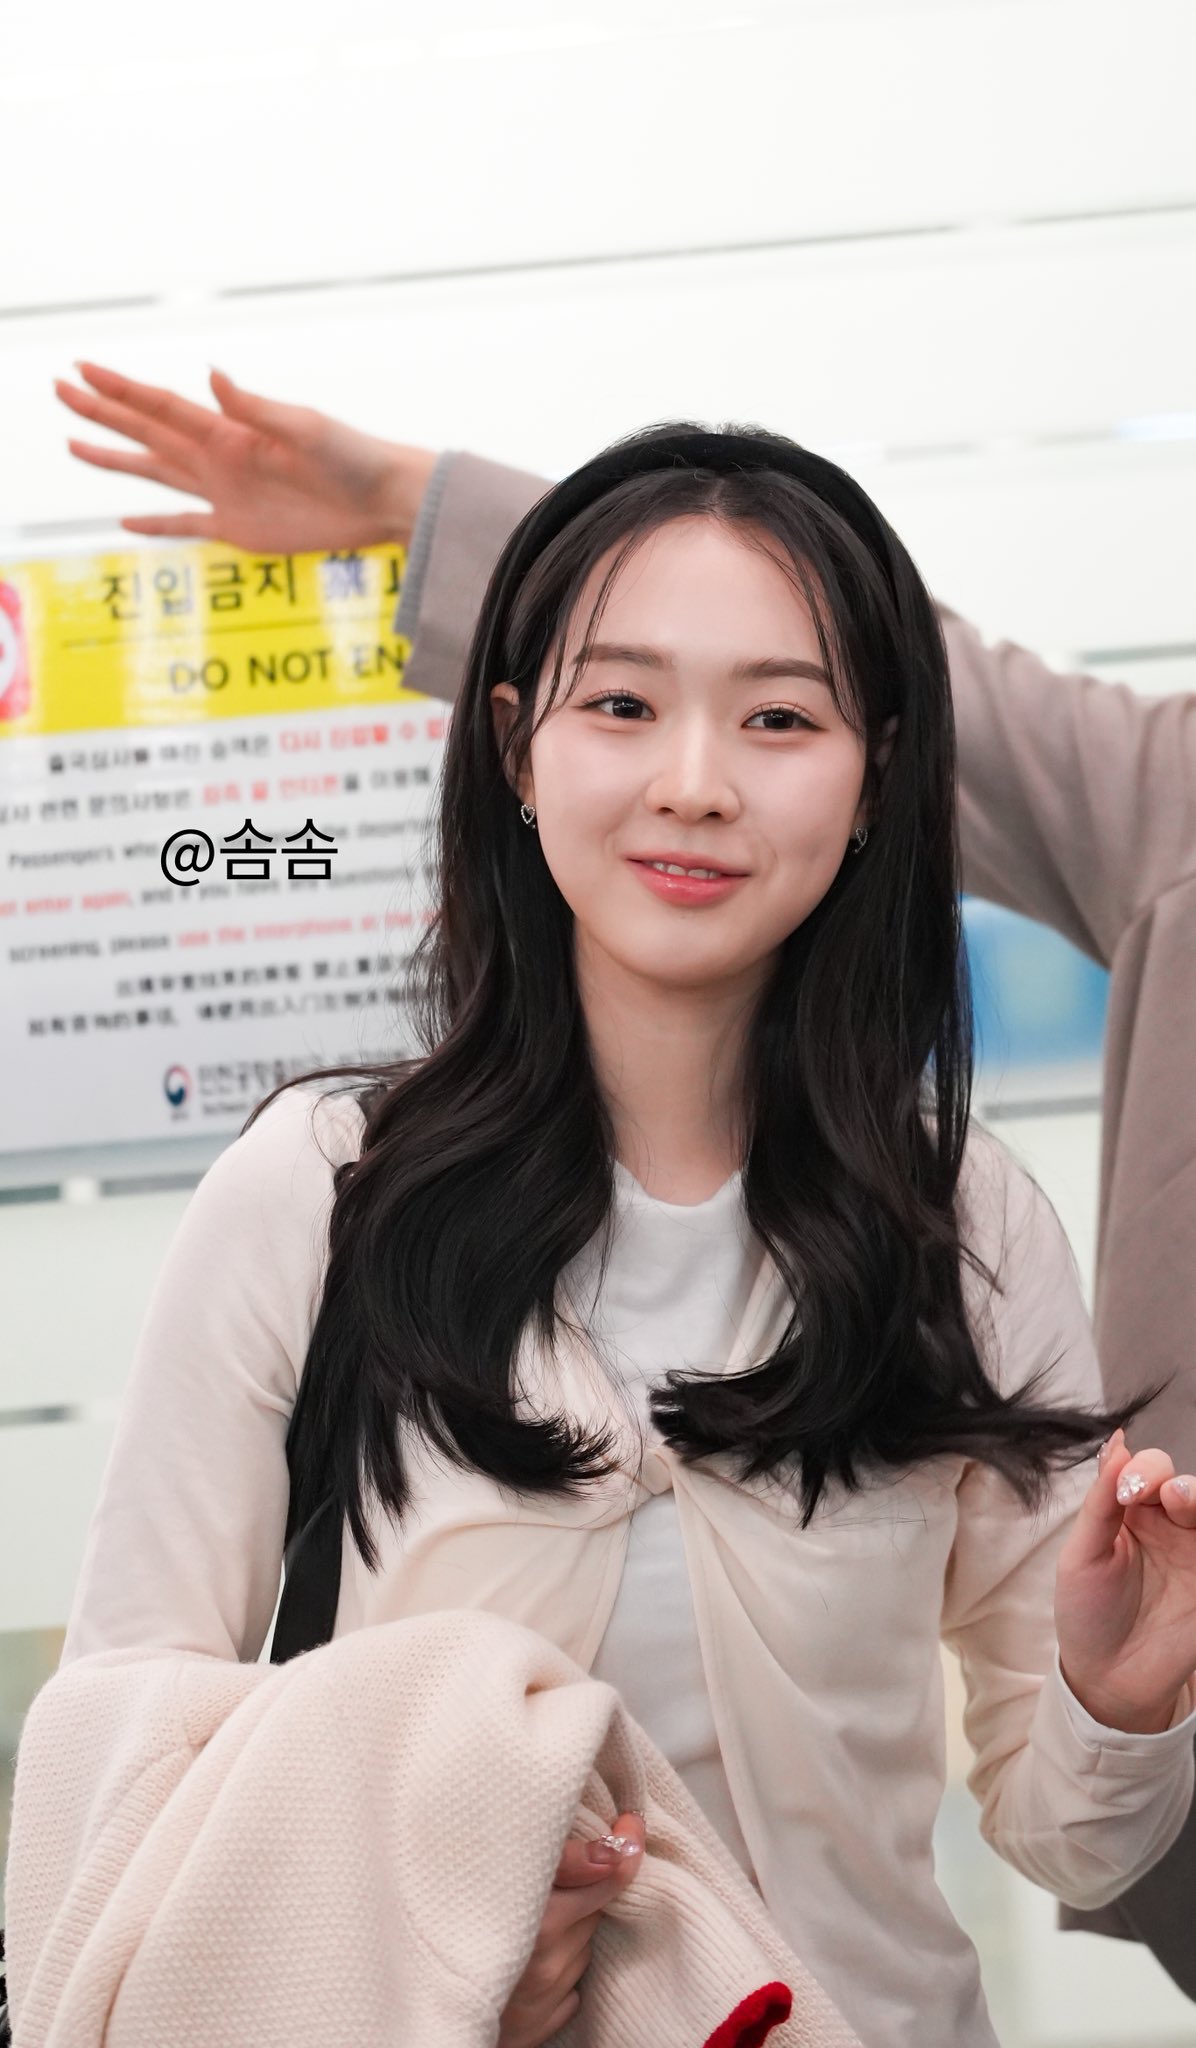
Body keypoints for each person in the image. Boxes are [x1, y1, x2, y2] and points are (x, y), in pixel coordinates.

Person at [43, 408, 1196, 2048]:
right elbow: (117, 1737)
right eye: (623, 706)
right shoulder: (321, 1190)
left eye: (781, 718)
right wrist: (422, 1954)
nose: (695, 785)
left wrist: (1119, 1701)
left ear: (876, 777)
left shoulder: (963, 1222)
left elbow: (1069, 1831)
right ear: (517, 748)